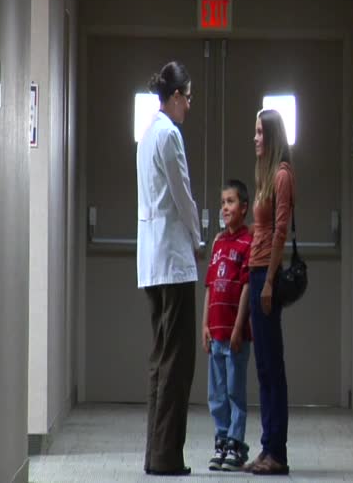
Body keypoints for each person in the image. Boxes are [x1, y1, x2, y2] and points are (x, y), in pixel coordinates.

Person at [136, 61, 200, 477]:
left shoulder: (146, 136)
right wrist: (198, 237)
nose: (189, 106)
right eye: (188, 98)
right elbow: (182, 194)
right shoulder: (169, 135)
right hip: (174, 264)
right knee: (178, 363)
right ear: (174, 97)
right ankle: (167, 458)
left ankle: (155, 455)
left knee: (161, 360)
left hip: (151, 262)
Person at [244, 109, 295, 476]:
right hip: (256, 271)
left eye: (261, 133)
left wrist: (270, 282)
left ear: (273, 135)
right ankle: (266, 447)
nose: (256, 138)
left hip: (267, 276)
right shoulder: (265, 175)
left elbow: (280, 232)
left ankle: (277, 451)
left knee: (272, 367)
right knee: (262, 367)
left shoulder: (282, 176)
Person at [202, 179, 253, 472]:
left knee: (235, 390)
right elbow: (210, 286)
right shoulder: (218, 242)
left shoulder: (247, 242)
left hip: (235, 334)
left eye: (231, 202)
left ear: (243, 208)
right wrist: (204, 325)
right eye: (222, 202)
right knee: (216, 393)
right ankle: (221, 440)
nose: (225, 208)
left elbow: (246, 287)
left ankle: (236, 443)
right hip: (216, 331)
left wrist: (237, 327)